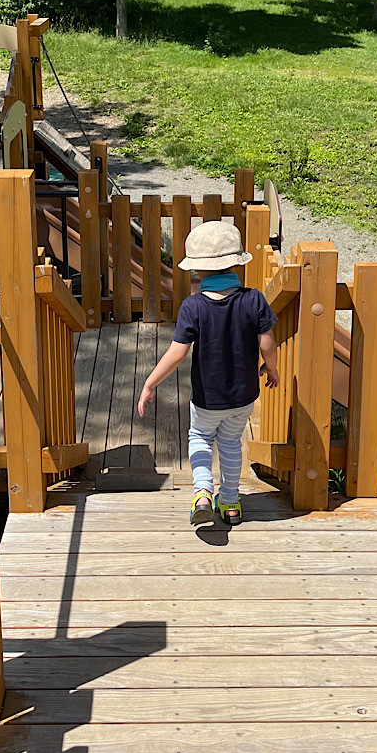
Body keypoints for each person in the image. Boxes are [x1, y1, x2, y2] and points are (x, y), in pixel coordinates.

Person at [137, 220, 279, 526]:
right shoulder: (253, 299)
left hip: (206, 397)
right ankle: (229, 503)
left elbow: (177, 353)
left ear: (197, 271)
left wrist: (150, 383)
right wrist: (272, 367)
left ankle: (202, 492)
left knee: (200, 438)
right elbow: (267, 342)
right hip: (242, 397)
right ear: (236, 266)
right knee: (230, 444)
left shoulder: (193, 306)